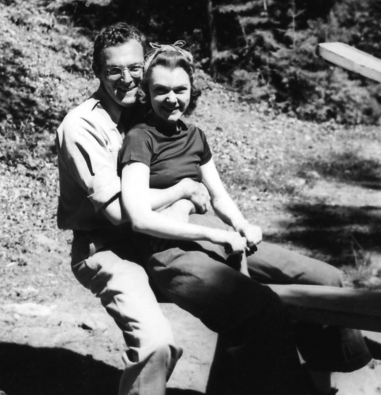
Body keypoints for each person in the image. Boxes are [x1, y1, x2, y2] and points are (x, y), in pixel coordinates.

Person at [118, 42, 372, 395]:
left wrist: (240, 224)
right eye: (160, 90)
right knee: (262, 308)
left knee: (325, 277)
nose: (171, 98)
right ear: (147, 92)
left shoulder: (195, 137)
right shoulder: (139, 139)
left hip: (211, 237)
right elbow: (139, 219)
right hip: (169, 253)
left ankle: (338, 370)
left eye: (180, 90)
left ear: (192, 90)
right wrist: (217, 237)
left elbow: (219, 195)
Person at [55, 23, 216, 395]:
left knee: (255, 300)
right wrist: (183, 189)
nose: (126, 78)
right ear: (97, 72)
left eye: (134, 68)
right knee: (156, 345)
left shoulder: (146, 108)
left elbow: (186, 153)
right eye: (114, 70)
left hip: (155, 237)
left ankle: (331, 361)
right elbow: (117, 212)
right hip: (107, 248)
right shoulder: (82, 127)